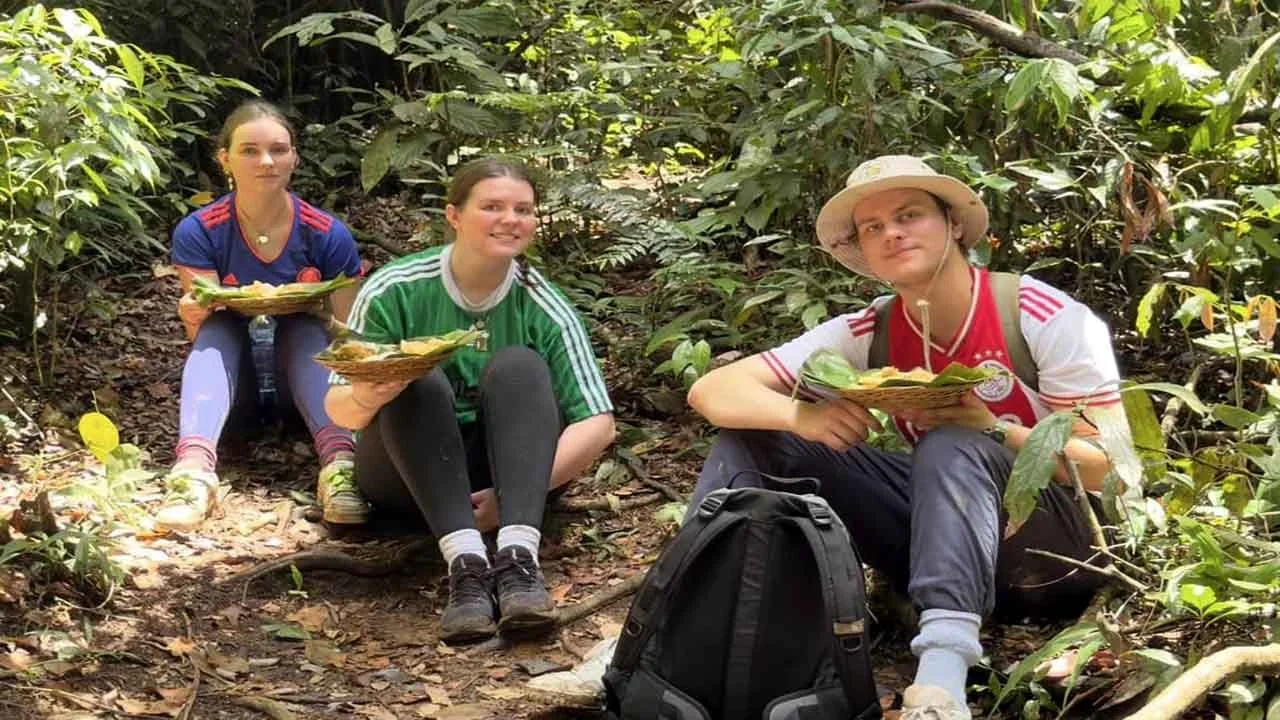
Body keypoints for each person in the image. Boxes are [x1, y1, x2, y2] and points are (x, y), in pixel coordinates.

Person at [685, 155, 1138, 719]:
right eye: (872, 228)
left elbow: (1113, 471)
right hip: (951, 537)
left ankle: (941, 681)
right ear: (864, 251)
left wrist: (994, 428)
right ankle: (676, 631)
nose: (891, 233)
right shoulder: (869, 331)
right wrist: (804, 419)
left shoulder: (1037, 314)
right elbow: (715, 390)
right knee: (753, 441)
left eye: (909, 215)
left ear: (953, 225)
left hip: (1062, 548)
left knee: (954, 442)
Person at [324, 157, 616, 644]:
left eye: (523, 209)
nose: (510, 219)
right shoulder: (396, 288)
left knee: (520, 365)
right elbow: (337, 407)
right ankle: (465, 566)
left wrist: (507, 502)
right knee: (417, 377)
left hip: (505, 477)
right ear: (454, 216)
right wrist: (369, 394)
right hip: (405, 470)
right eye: (492, 206)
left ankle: (520, 560)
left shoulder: (543, 304)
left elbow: (599, 422)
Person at [161, 100, 365, 531]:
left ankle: (342, 467)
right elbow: (199, 324)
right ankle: (194, 472)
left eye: (278, 149)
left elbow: (353, 336)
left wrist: (315, 307)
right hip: (236, 395)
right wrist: (192, 310)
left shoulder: (327, 234)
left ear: (295, 158)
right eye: (250, 150)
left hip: (309, 388)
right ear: (225, 159)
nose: (266, 161)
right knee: (219, 324)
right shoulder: (201, 230)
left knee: (306, 326)